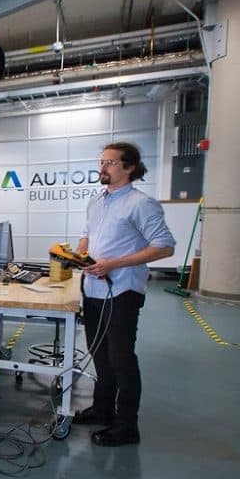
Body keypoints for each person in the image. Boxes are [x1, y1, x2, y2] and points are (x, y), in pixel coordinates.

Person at [74, 142, 175, 447]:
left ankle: (127, 426)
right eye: (101, 161)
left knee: (121, 359)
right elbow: (86, 235)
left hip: (122, 291)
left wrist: (113, 264)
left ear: (129, 167)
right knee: (99, 355)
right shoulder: (96, 202)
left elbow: (164, 246)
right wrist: (81, 253)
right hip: (93, 289)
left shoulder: (141, 204)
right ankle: (102, 409)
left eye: (111, 163)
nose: (103, 168)